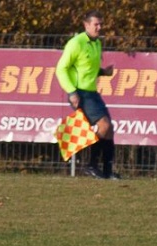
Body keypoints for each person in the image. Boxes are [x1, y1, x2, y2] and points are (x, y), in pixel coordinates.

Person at [56, 10, 119, 179]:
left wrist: (103, 72)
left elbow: (86, 68)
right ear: (86, 25)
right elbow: (61, 69)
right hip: (80, 93)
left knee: (109, 129)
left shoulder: (97, 43)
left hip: (92, 92)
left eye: (101, 24)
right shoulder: (76, 43)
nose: (99, 27)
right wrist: (71, 92)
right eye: (96, 24)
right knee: (104, 125)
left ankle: (107, 171)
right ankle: (91, 165)